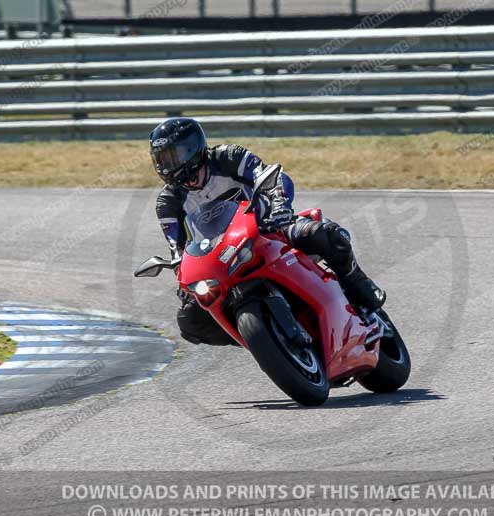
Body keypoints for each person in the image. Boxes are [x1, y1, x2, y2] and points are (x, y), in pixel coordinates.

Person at [151, 117, 385, 346]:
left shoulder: (227, 157)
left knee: (325, 234)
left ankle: (360, 288)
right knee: (190, 322)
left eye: (173, 155)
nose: (168, 164)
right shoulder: (167, 201)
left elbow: (271, 176)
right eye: (161, 158)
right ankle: (265, 339)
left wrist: (279, 206)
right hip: (222, 259)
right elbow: (177, 249)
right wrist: (183, 279)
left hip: (268, 230)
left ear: (193, 148)